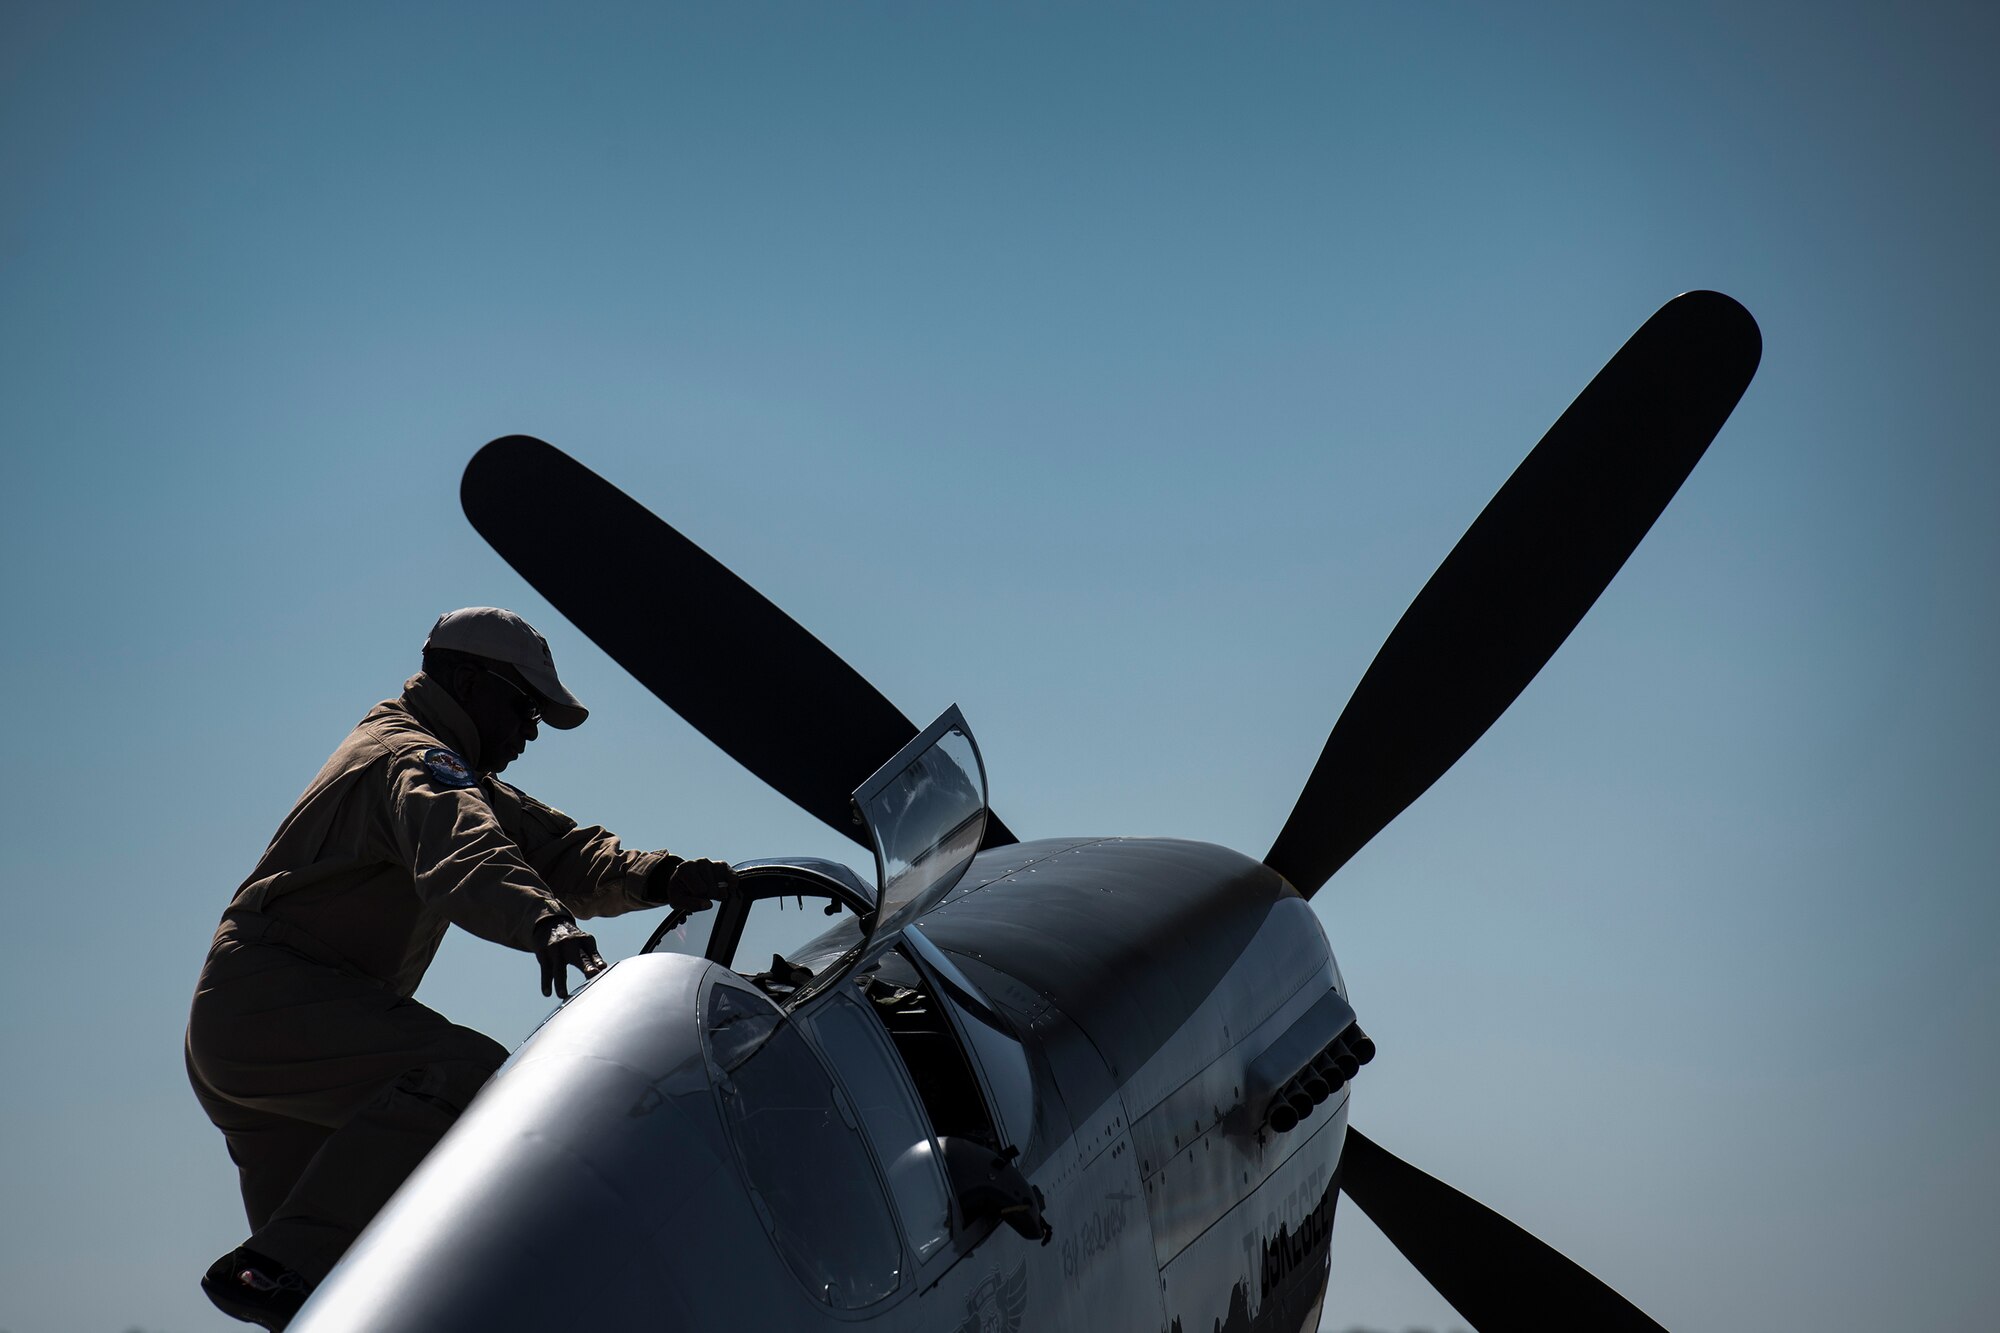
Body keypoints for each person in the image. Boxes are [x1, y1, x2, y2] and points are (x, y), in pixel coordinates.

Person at [185, 607, 735, 1329]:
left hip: (258, 1027)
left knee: (329, 1291)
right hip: (275, 1005)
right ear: (470, 684)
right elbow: (468, 855)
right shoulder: (415, 760)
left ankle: (280, 1270)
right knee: (472, 1073)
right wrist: (547, 924)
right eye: (523, 708)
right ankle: (277, 1262)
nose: (529, 732)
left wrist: (660, 876)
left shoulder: (435, 760)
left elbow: (558, 850)